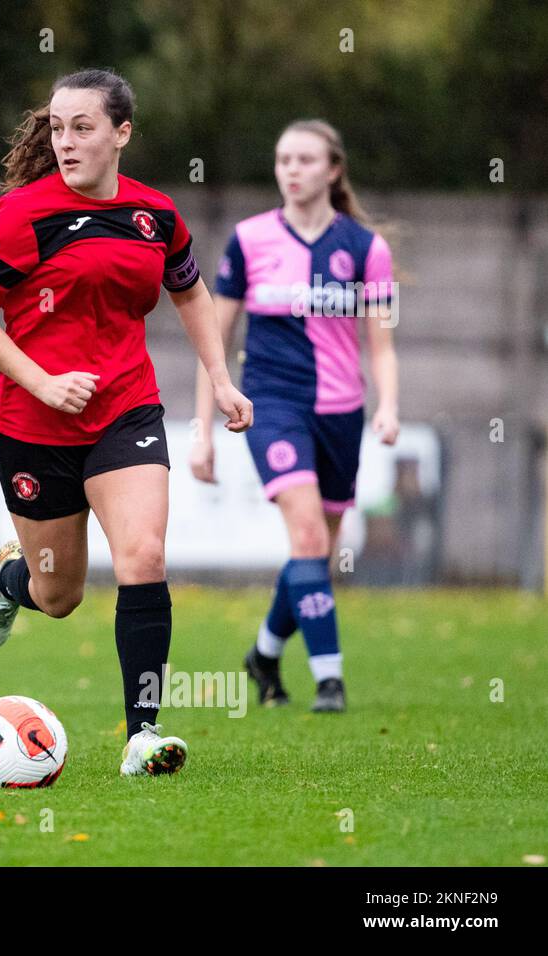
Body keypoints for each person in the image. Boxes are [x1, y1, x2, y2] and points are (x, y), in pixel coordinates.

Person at [0, 69, 252, 778]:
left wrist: (220, 379)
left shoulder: (156, 214)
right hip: (32, 423)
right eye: (56, 127)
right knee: (60, 597)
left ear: (121, 133)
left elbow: (192, 293)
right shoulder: (23, 215)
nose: (65, 141)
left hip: (126, 410)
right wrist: (43, 382)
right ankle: (8, 583)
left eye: (81, 127)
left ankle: (142, 735)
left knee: (143, 557)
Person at [192, 120, 398, 712]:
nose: (292, 170)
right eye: (284, 159)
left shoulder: (366, 248)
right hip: (271, 407)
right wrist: (201, 429)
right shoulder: (249, 240)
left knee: (316, 553)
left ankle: (262, 654)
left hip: (341, 413)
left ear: (333, 170)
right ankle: (329, 679)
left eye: (306, 160)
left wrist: (388, 407)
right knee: (306, 535)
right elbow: (215, 341)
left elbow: (382, 345)